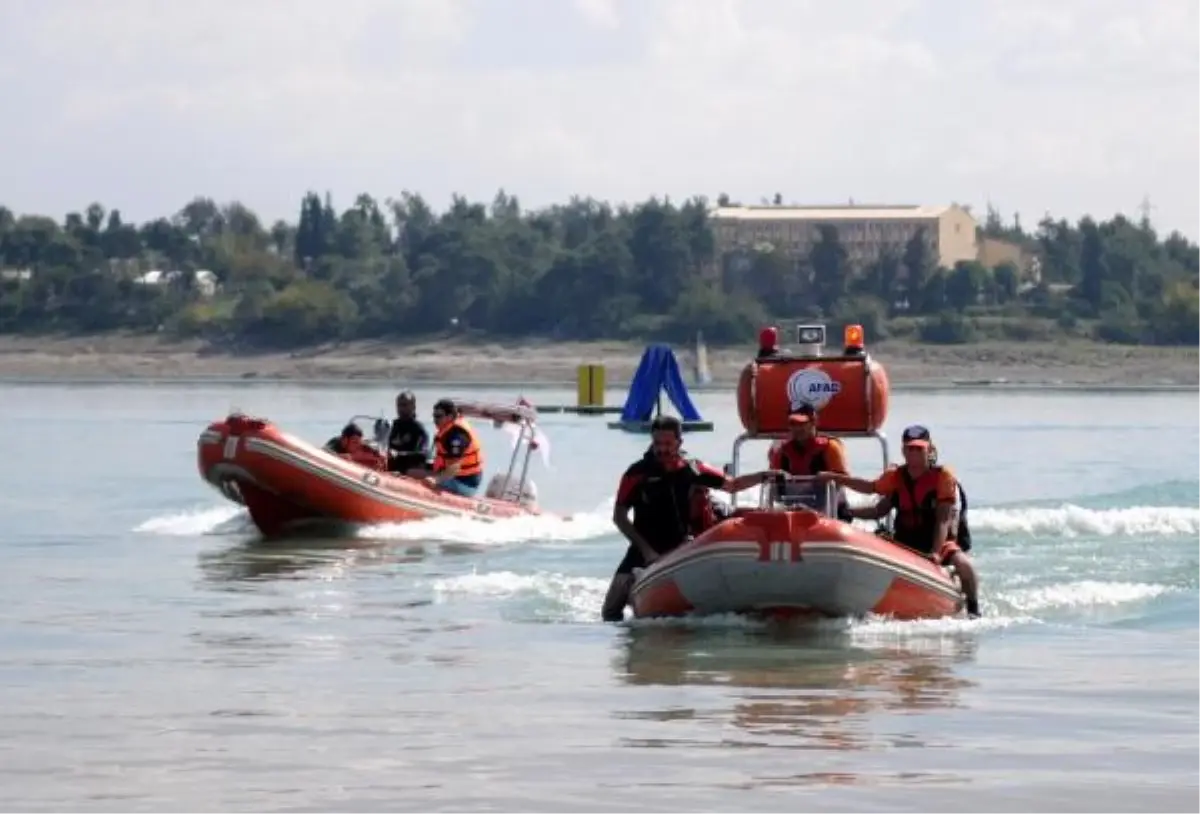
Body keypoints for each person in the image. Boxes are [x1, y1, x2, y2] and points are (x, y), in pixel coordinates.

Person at [601, 415, 783, 622]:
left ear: (679, 442)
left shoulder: (693, 468)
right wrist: (646, 551)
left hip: (681, 549)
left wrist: (765, 475)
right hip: (643, 548)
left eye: (668, 444)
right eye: (657, 443)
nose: (662, 449)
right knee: (610, 610)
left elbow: (732, 485)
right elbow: (619, 516)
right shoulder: (636, 473)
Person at [816, 425, 980, 618]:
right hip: (905, 541)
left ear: (930, 450)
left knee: (965, 565)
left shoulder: (942, 477)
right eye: (910, 449)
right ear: (903, 451)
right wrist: (839, 486)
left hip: (937, 541)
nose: (914, 453)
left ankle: (974, 609)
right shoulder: (896, 476)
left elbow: (943, 519)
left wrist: (935, 553)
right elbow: (874, 497)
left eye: (919, 449)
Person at [767, 403, 853, 520]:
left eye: (802, 424)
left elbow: (845, 480)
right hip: (791, 512)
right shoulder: (780, 451)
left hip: (829, 512)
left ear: (814, 422)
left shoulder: (830, 448)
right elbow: (773, 486)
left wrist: (830, 477)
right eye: (793, 423)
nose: (797, 428)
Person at [426, 398, 485, 497]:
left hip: (464, 484)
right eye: (434, 416)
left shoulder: (457, 436)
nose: (435, 420)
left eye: (438, 416)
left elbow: (455, 467)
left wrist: (436, 480)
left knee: (416, 475)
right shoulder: (446, 431)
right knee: (414, 470)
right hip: (454, 478)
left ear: (450, 417)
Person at [386, 390, 430, 475]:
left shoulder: (419, 429)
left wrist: (399, 454)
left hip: (408, 473)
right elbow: (385, 445)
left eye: (404, 405)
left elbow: (423, 454)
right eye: (399, 405)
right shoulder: (394, 425)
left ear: (413, 407)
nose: (401, 408)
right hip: (390, 471)